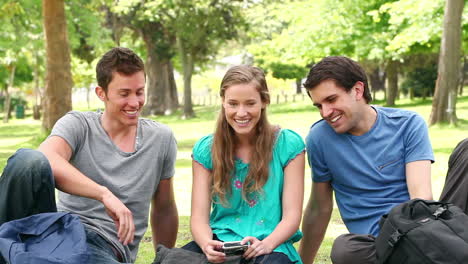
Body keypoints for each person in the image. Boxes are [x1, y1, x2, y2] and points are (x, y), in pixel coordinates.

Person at [0, 47, 178, 263]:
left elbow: (164, 209)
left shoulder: (161, 139)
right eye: (124, 94)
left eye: (139, 92)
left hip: (106, 246)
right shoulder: (78, 125)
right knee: (27, 162)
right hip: (60, 231)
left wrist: (164, 259)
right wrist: (104, 194)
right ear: (101, 93)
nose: (134, 102)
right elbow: (46, 156)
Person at [298, 56, 434, 264]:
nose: (325, 112)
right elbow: (319, 208)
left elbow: (421, 200)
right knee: (344, 248)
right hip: (372, 246)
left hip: (417, 229)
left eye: (331, 100)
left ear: (358, 90)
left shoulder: (408, 124)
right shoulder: (319, 138)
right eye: (318, 105)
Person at [183, 65, 305, 263]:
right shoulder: (206, 149)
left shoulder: (288, 145)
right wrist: (206, 244)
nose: (241, 113)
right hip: (220, 243)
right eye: (233, 103)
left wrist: (267, 244)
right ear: (223, 102)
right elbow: (198, 217)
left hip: (269, 245)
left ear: (264, 101)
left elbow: (292, 216)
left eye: (250, 103)